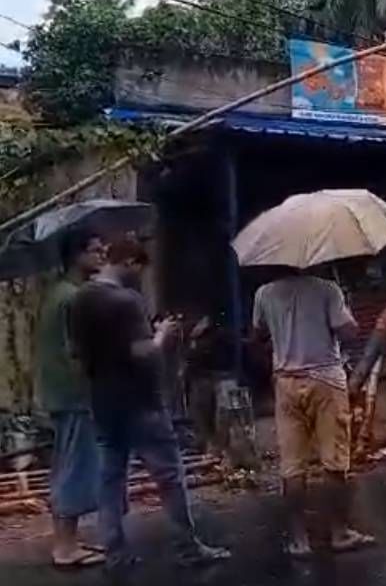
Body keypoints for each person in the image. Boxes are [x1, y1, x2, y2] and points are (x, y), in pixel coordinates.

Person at [67, 237, 229, 573]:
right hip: (141, 402)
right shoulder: (126, 301)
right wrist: (163, 335)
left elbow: (77, 356)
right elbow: (143, 353)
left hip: (103, 400)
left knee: (111, 478)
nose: (140, 276)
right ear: (128, 262)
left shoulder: (80, 299)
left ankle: (114, 551)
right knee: (169, 476)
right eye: (139, 269)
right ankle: (188, 547)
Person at [251, 268, 374, 557]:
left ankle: (299, 540)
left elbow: (257, 334)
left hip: (285, 382)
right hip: (325, 381)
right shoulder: (327, 289)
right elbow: (348, 331)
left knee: (292, 465)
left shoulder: (264, 293)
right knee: (334, 459)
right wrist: (346, 311)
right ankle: (339, 533)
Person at [35, 230, 106, 569]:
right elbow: (77, 352)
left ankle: (68, 541)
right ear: (76, 256)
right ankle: (64, 548)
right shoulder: (74, 298)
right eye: (94, 249)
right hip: (75, 394)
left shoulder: (58, 293)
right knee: (74, 469)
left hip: (60, 394)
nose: (102, 253)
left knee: (66, 466)